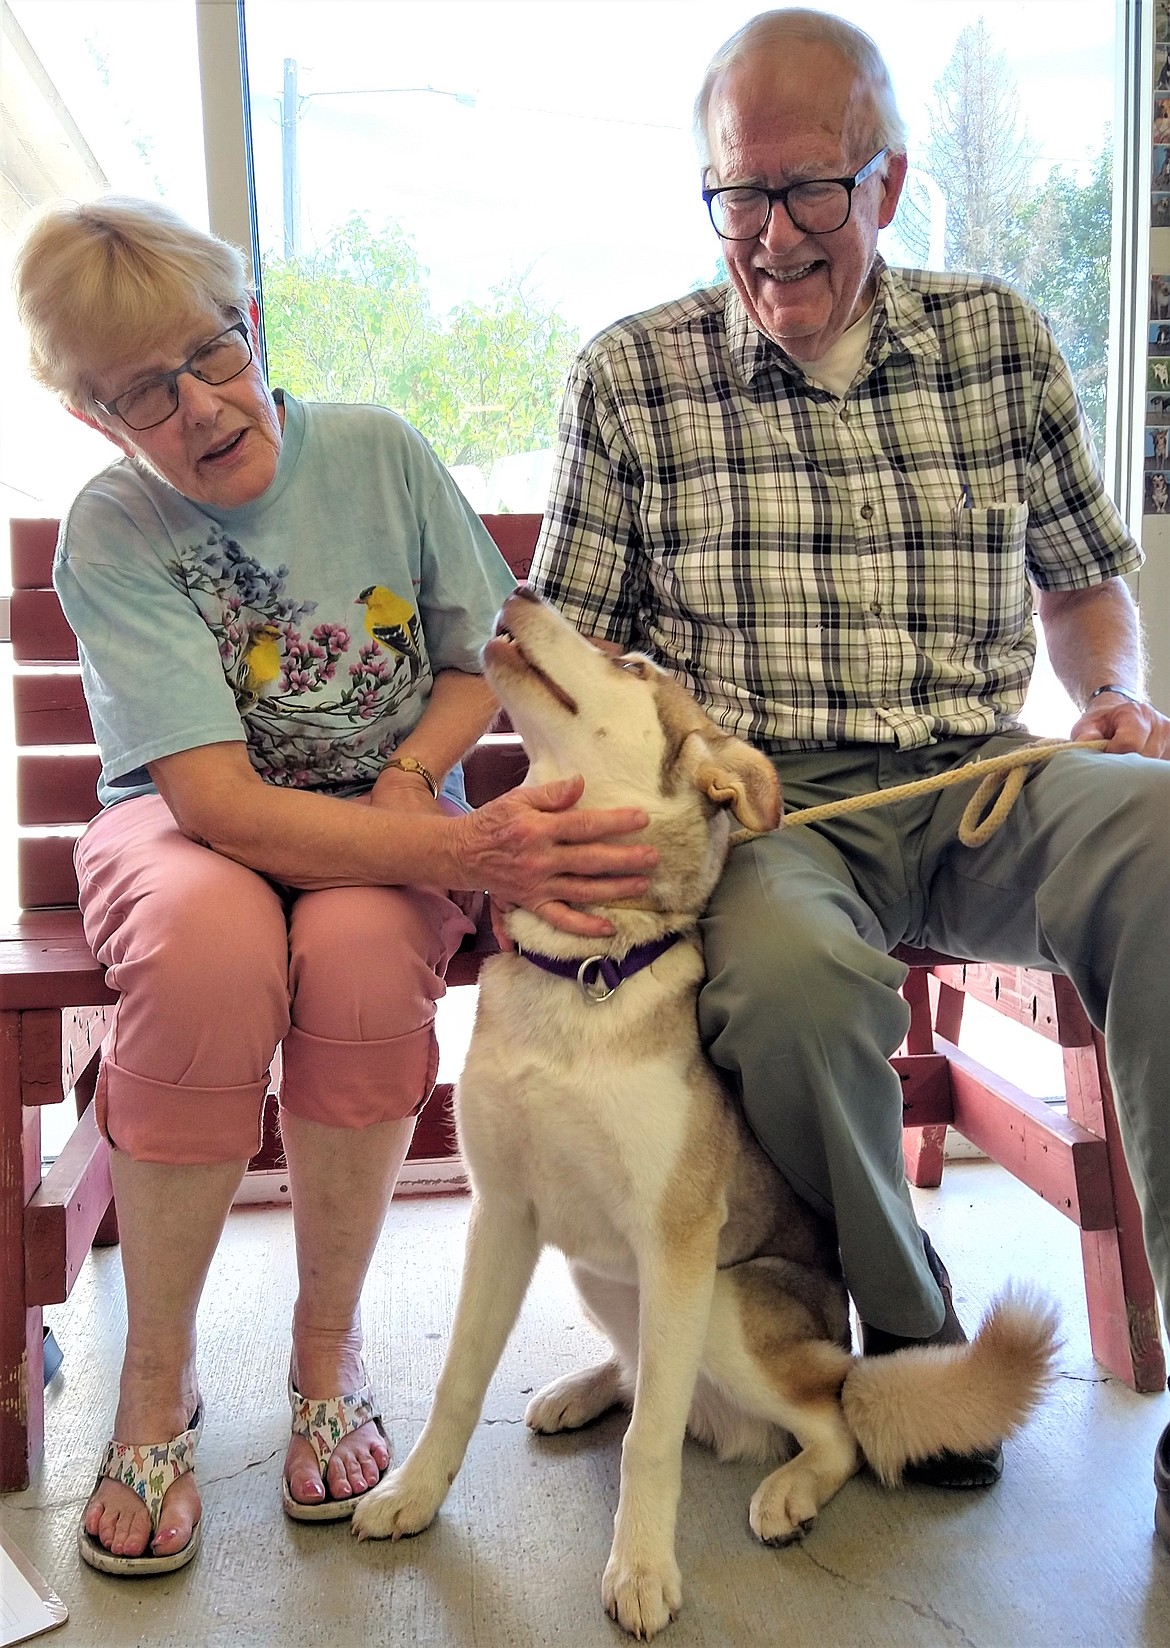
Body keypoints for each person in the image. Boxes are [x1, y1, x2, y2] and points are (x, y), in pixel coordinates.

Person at [531, 7, 1170, 1509]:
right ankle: (910, 1339)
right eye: (736, 195)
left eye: (807, 189)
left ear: (883, 186)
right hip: (768, 814)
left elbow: (1082, 588)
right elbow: (572, 653)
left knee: (1161, 838)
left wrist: (1114, 691)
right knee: (793, 981)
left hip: (980, 777)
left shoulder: (995, 341)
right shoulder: (630, 375)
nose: (769, 236)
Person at [11, 196, 658, 1576]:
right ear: (95, 418)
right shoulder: (113, 530)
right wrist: (464, 852)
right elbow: (216, 800)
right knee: (200, 953)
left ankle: (325, 1354)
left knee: (366, 963)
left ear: (252, 327)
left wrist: (417, 779)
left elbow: (477, 656)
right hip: (186, 831)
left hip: (385, 816)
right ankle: (154, 1384)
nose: (199, 405)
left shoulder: (376, 450)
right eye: (143, 391)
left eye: (213, 353)